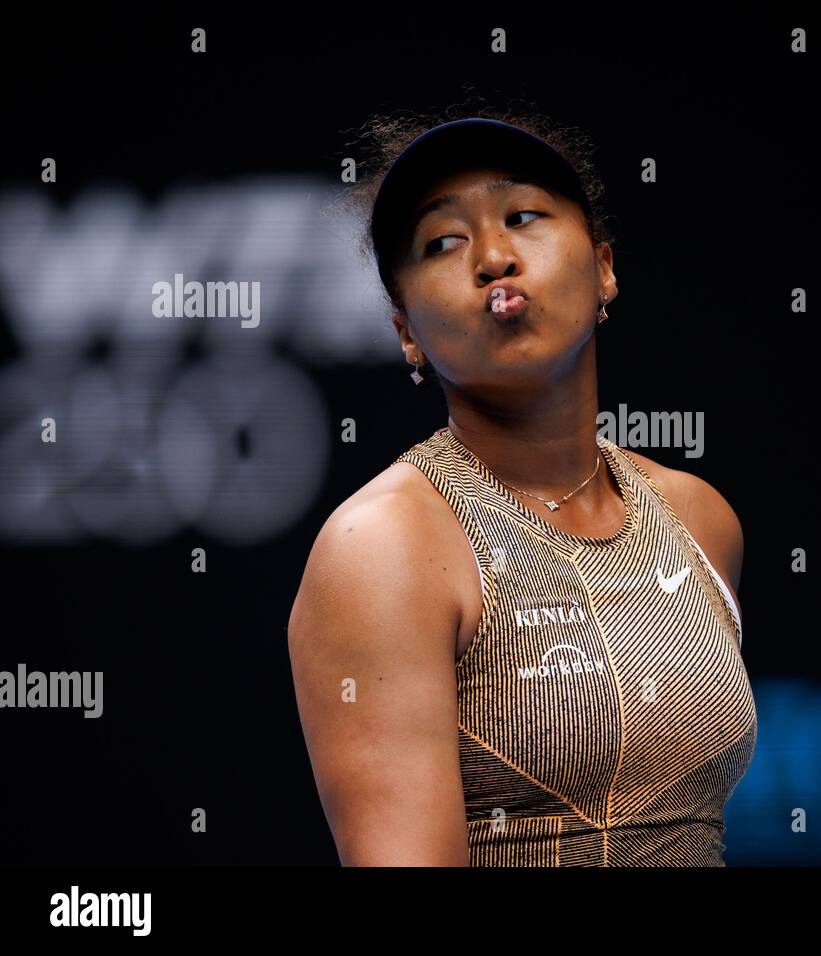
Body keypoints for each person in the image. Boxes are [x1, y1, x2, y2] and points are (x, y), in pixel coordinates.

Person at [288, 108, 756, 866]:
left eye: (523, 216)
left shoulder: (697, 517)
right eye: (444, 242)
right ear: (407, 330)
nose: (494, 258)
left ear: (604, 266)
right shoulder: (383, 546)